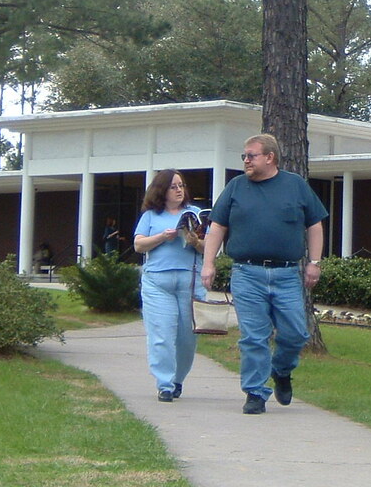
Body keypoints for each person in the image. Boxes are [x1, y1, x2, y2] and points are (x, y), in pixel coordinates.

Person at [201, 133, 327, 415]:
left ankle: (281, 370)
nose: (245, 160)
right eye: (244, 156)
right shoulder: (236, 187)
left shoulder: (295, 185)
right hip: (247, 273)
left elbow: (315, 225)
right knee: (254, 336)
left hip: (286, 274)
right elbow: (217, 227)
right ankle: (255, 392)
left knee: (296, 333)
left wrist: (314, 262)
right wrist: (208, 263)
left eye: (251, 155)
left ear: (269, 157)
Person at [133, 169, 204, 402]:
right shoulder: (151, 216)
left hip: (189, 281)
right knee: (162, 334)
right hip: (157, 283)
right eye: (173, 186)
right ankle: (164, 384)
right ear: (161, 190)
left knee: (186, 337)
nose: (179, 190)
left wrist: (194, 240)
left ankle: (177, 380)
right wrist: (163, 237)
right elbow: (139, 245)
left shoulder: (195, 213)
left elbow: (210, 247)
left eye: (181, 185)